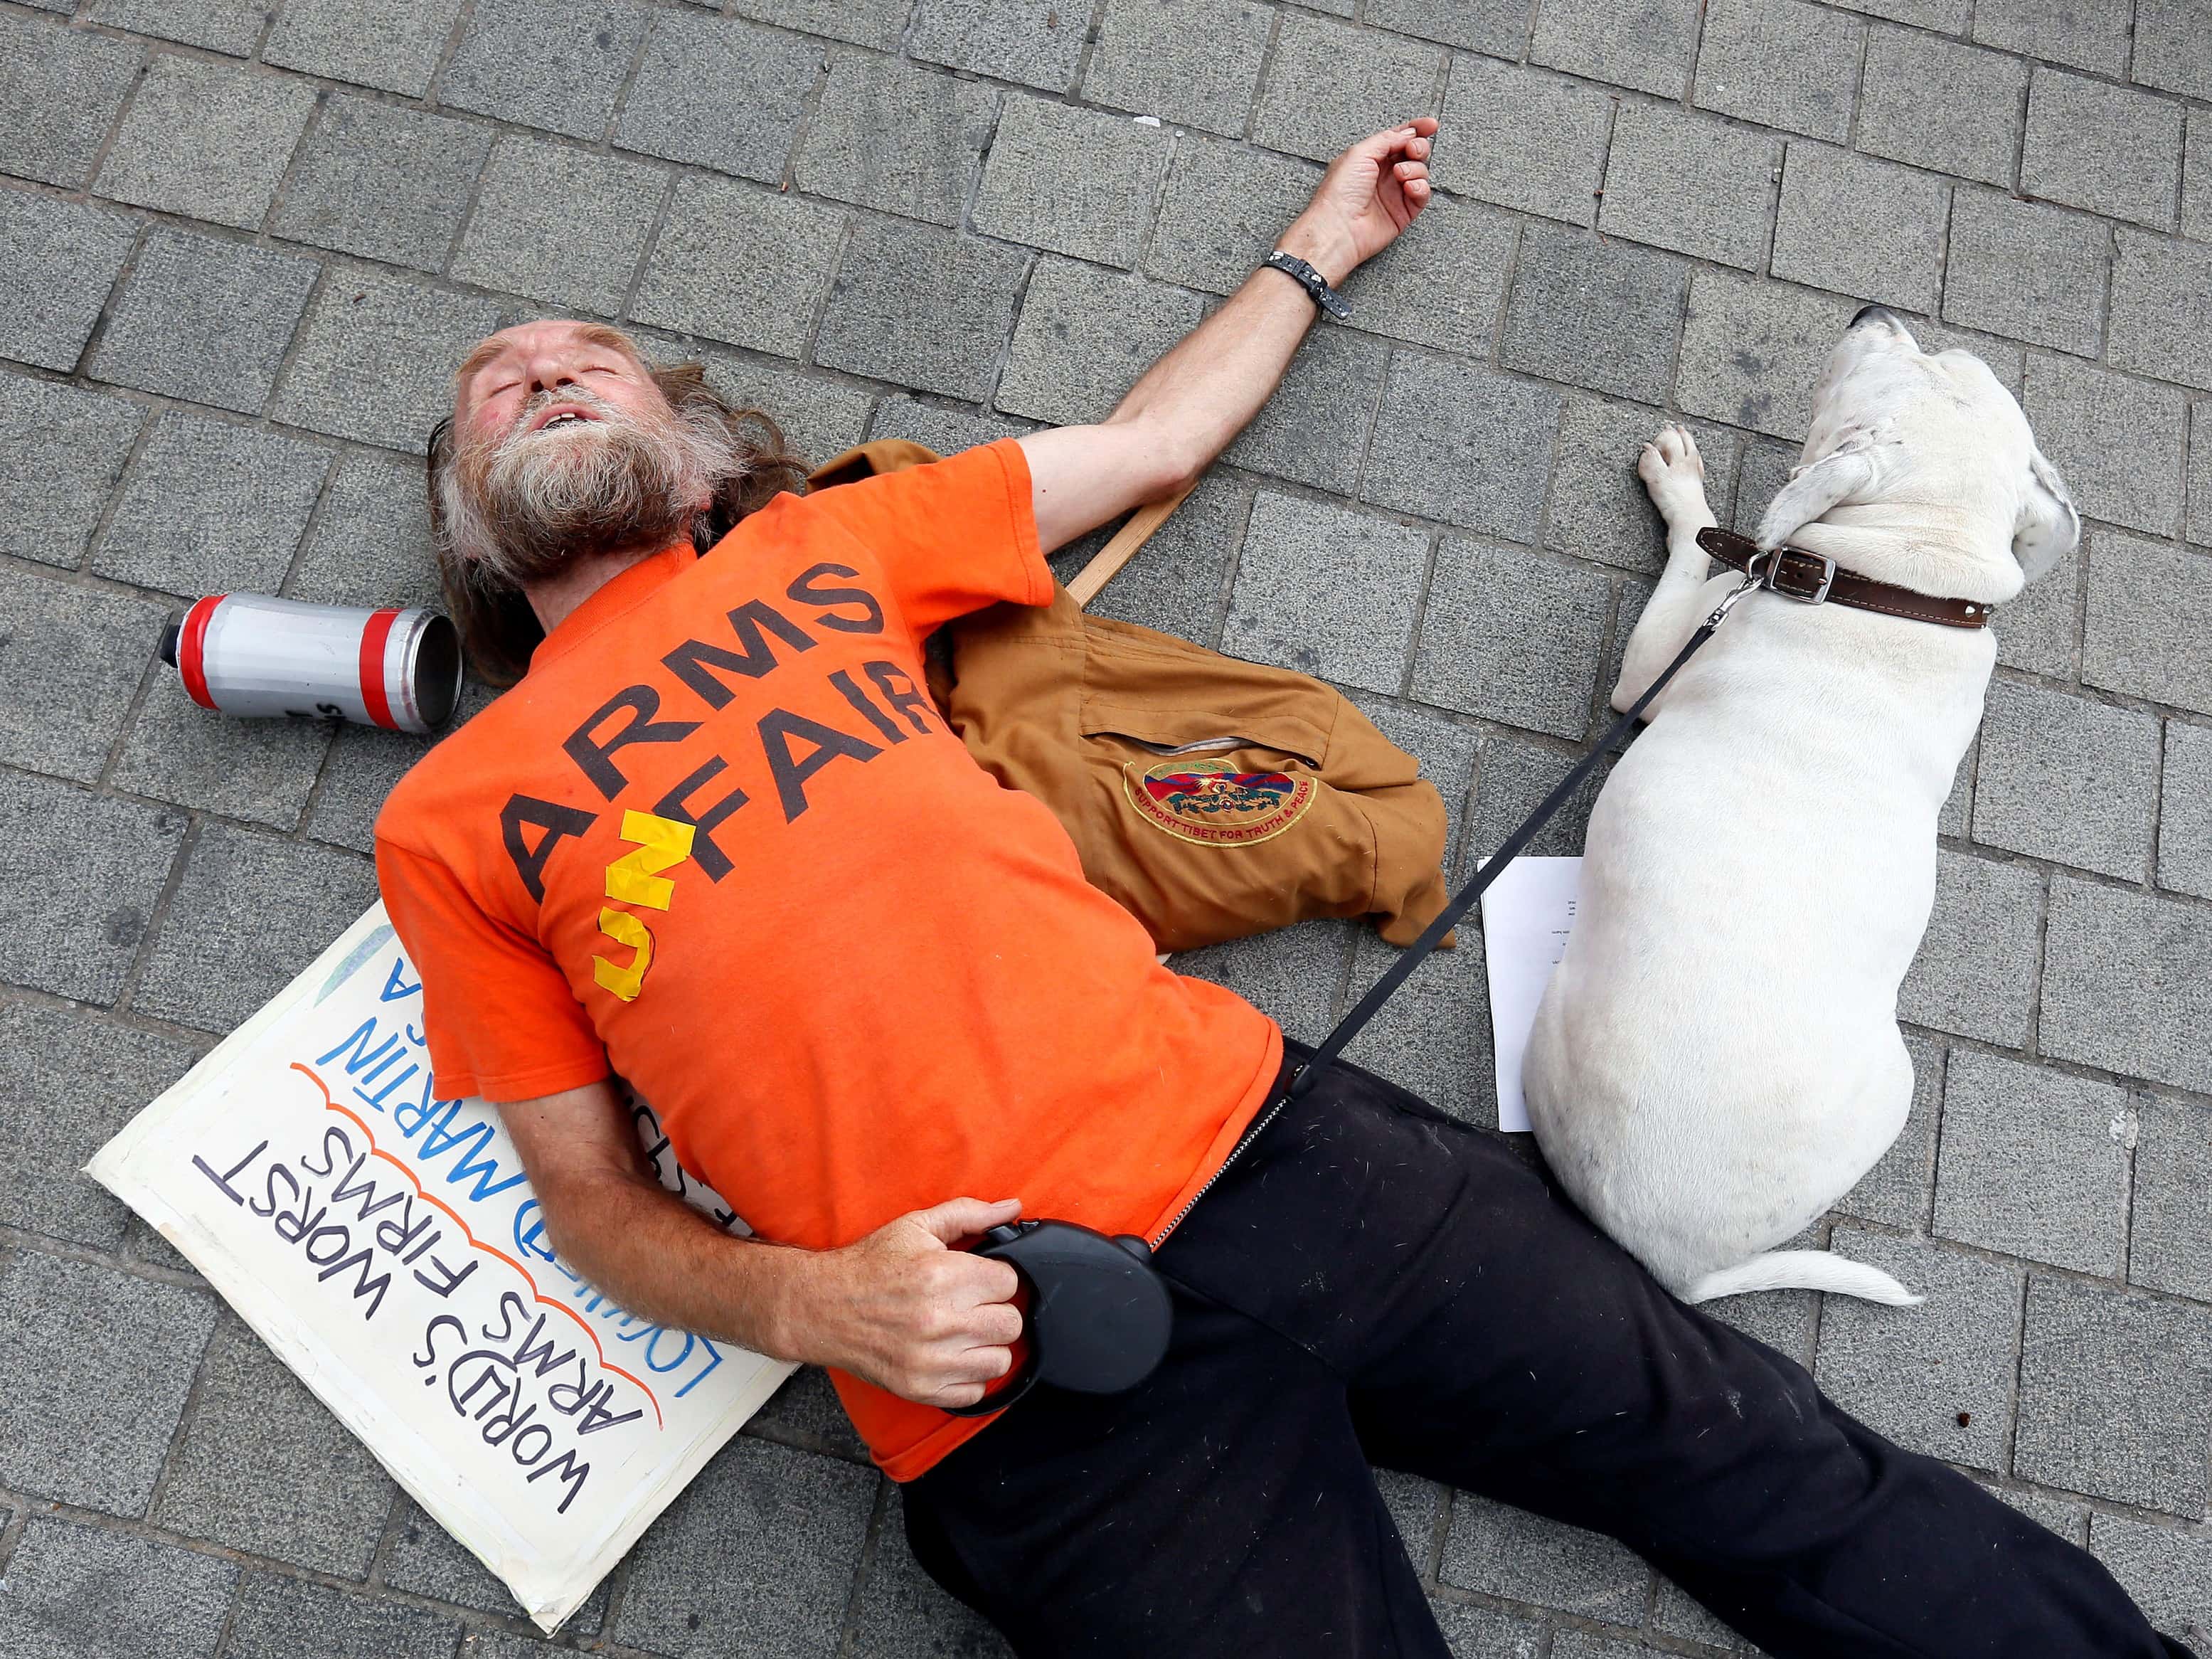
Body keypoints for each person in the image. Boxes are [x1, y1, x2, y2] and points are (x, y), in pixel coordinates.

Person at [374, 119, 2191, 1658]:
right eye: (497, 388)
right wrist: (813, 1307)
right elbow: (591, 1202)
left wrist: (1321, 244)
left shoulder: (817, 542)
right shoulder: (455, 818)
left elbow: (1149, 445)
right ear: (469, 520)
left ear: (685, 454)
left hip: (1280, 1147)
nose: (542, 367)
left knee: (1758, 1450)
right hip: (1007, 1357)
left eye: (588, 355)